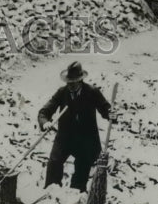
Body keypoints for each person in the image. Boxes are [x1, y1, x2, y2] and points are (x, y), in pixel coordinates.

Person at [37, 61, 112, 192]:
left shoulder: (92, 92)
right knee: (54, 162)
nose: (70, 85)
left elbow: (105, 110)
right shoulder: (62, 92)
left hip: (85, 139)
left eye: (73, 82)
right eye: (68, 82)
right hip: (65, 137)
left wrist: (111, 115)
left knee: (81, 172)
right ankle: (51, 193)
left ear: (80, 80)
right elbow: (44, 112)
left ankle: (76, 195)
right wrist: (46, 122)